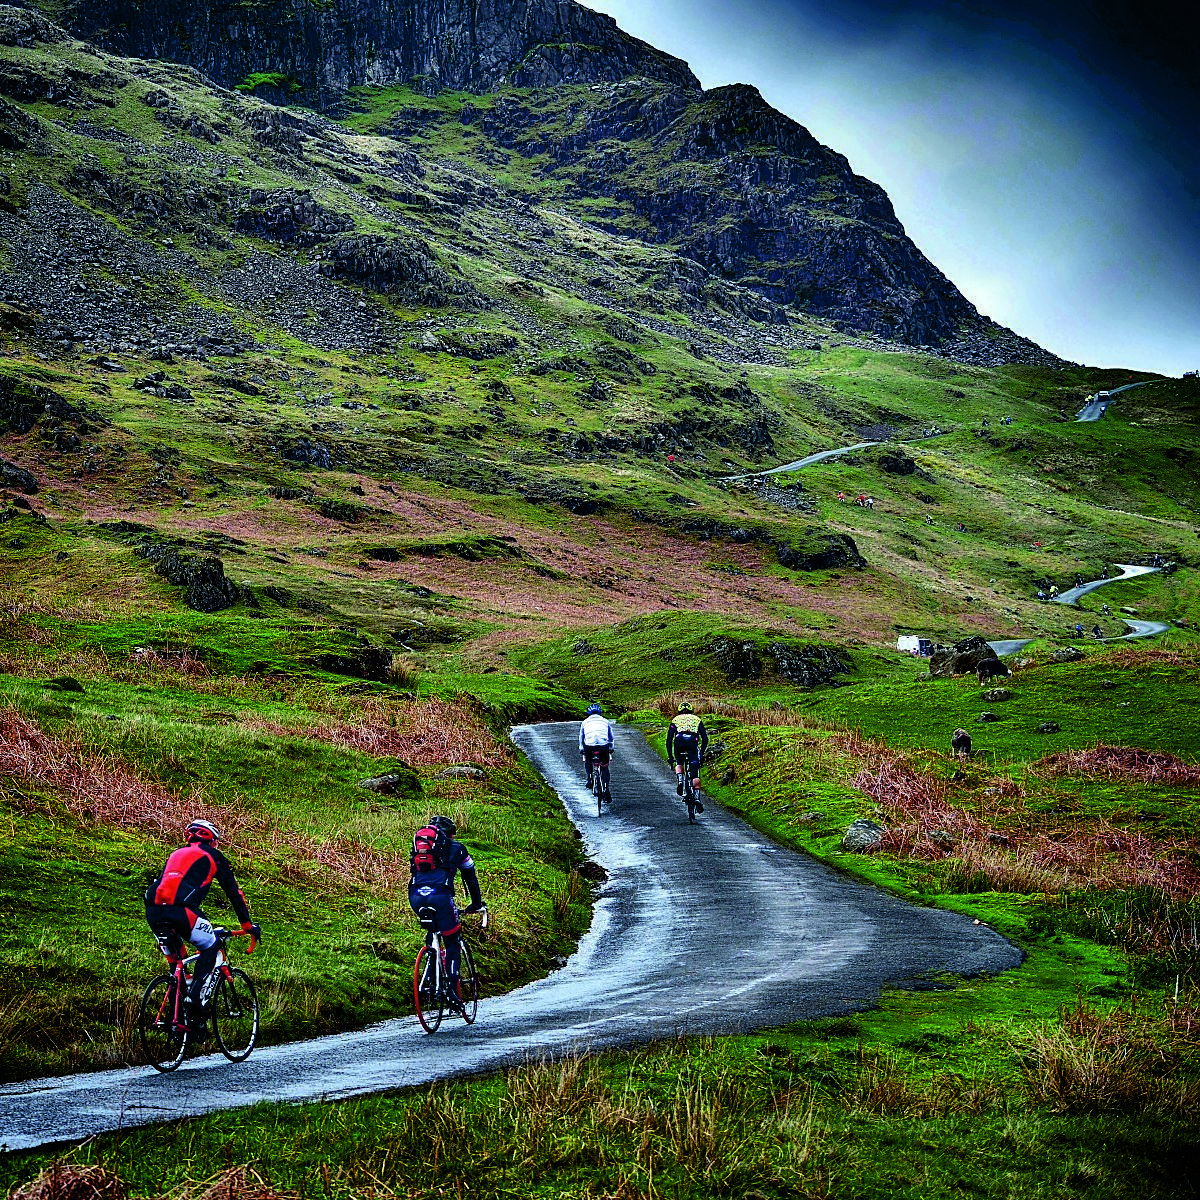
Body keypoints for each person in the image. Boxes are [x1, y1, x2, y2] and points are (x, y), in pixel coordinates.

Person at [144, 819, 260, 1038]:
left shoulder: (176, 854)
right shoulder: (213, 856)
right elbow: (234, 892)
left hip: (153, 911)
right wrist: (247, 925)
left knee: (177, 963)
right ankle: (195, 997)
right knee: (211, 946)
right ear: (212, 840)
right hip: (181, 911)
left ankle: (178, 1023)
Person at [408, 816, 485, 1008]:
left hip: (415, 897)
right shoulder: (458, 848)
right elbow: (471, 877)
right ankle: (451, 990)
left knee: (432, 929)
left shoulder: (420, 848)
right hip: (441, 896)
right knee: (452, 940)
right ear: (450, 835)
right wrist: (476, 904)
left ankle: (429, 976)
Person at [667, 702, 709, 814]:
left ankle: (680, 780)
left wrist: (670, 757)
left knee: (679, 762)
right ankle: (696, 798)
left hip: (679, 740)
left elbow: (669, 740)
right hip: (692, 741)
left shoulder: (675, 719)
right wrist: (702, 752)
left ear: (679, 710)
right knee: (695, 773)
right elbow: (705, 738)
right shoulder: (697, 719)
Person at [579, 701, 614, 802]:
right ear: (600, 713)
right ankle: (606, 789)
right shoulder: (605, 721)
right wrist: (611, 747)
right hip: (603, 745)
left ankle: (589, 778)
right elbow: (610, 736)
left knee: (588, 760)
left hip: (589, 745)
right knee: (604, 767)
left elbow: (581, 737)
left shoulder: (585, 722)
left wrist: (581, 749)